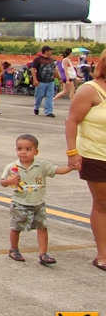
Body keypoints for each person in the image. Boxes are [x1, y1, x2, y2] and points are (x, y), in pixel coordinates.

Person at [0, 134, 74, 264]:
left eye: (28, 149)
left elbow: (58, 170)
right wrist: (9, 180)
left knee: (42, 227)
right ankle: (14, 249)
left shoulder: (42, 166)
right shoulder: (12, 166)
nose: (23, 152)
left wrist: (71, 166)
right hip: (20, 202)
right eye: (19, 149)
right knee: (16, 227)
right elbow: (2, 182)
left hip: (38, 203)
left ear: (36, 151)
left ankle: (43, 253)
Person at [64, 51, 106, 271]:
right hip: (97, 156)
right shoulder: (90, 90)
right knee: (103, 204)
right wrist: (72, 152)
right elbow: (72, 120)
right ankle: (102, 255)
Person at [31, 46, 57, 118]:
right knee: (39, 95)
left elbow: (54, 69)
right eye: (50, 51)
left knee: (50, 96)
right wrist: (35, 79)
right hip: (41, 81)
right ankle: (36, 107)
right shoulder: (38, 59)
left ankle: (49, 111)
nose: (51, 52)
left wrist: (60, 78)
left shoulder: (51, 60)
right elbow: (33, 69)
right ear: (46, 51)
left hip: (50, 81)